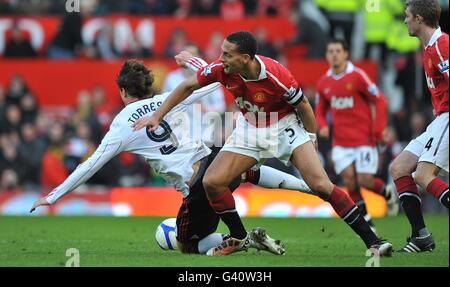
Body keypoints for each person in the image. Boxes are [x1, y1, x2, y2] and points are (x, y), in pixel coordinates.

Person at [132, 30, 393, 256]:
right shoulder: (224, 70)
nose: (221, 59)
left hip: (284, 127)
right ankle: (239, 237)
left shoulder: (276, 75)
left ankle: (373, 242)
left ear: (245, 59)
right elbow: (188, 85)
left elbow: (303, 105)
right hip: (249, 129)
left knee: (322, 186)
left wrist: (311, 138)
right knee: (213, 181)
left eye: (227, 54)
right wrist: (157, 115)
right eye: (221, 53)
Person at [29, 57, 313, 255]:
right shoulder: (166, 100)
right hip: (214, 156)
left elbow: (91, 164)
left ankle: (244, 239)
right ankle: (306, 186)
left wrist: (53, 195)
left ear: (123, 91)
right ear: (148, 87)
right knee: (240, 171)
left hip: (196, 185)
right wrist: (192, 61)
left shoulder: (123, 122)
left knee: (187, 244)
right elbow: (214, 82)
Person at [315, 39, 399, 233]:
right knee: (349, 181)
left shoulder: (358, 76)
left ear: (346, 54)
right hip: (340, 143)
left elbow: (380, 101)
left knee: (365, 181)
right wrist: (323, 125)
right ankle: (368, 221)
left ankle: (387, 193)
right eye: (330, 51)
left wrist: (379, 130)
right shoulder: (324, 82)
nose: (334, 54)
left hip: (363, 139)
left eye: (338, 50)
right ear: (327, 55)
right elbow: (320, 109)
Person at [390, 0, 448, 253]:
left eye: (407, 16)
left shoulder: (442, 45)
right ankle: (421, 236)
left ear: (419, 19)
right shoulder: (429, 47)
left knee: (423, 176)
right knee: (400, 168)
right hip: (440, 119)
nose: (404, 21)